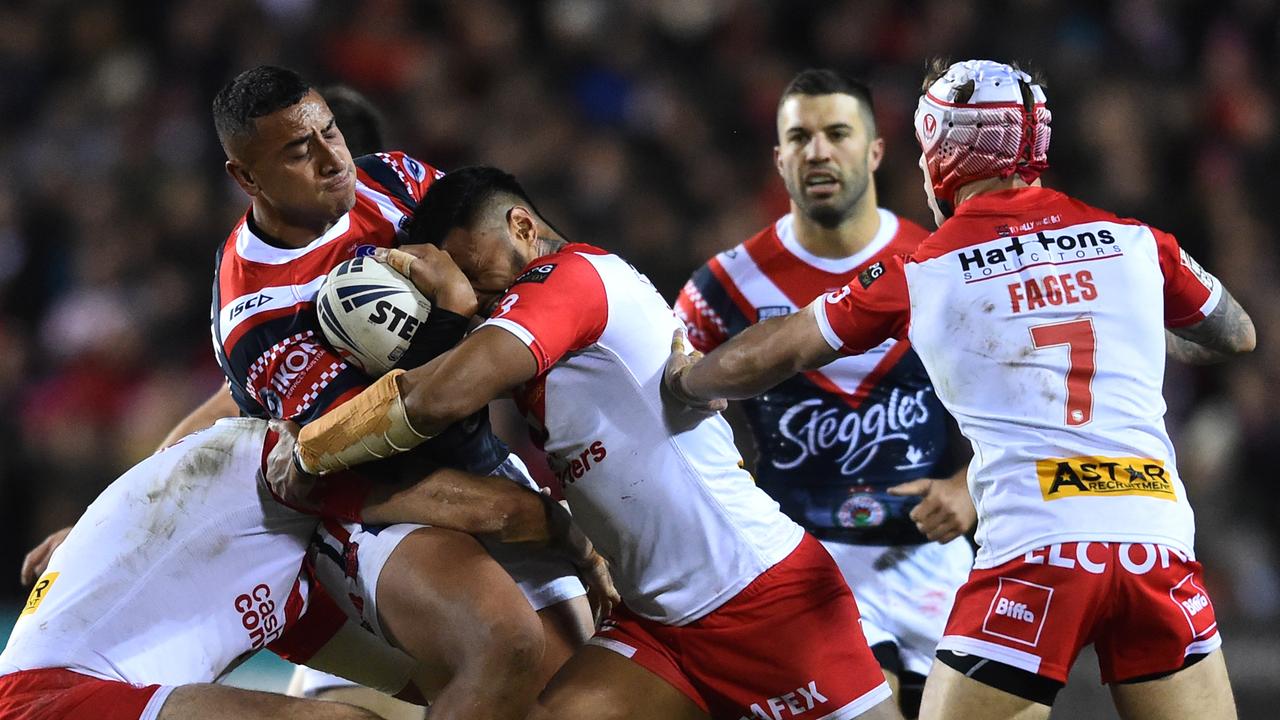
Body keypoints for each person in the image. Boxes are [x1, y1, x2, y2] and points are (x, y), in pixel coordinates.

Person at [662, 59, 1254, 720]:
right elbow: (1237, 335)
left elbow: (781, 349)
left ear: (943, 152)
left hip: (1040, 551)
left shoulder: (923, 268)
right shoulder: (1139, 244)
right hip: (1157, 542)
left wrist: (688, 380)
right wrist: (1136, 329)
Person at [277, 165, 903, 720]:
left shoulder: (569, 279)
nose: (473, 296)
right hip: (660, 626)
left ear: (521, 226)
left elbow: (438, 397)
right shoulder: (538, 321)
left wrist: (312, 447)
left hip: (758, 596)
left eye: (472, 269)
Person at [208, 65, 595, 720]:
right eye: (300, 152)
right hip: (372, 506)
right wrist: (449, 309)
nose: (334, 160)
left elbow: (519, 257)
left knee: (578, 687)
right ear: (246, 177)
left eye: (329, 132)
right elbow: (357, 454)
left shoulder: (391, 179)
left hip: (471, 454)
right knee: (506, 647)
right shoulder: (255, 310)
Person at [675, 68, 974, 716]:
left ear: (874, 151)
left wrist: (970, 487)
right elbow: (662, 428)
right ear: (779, 159)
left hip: (931, 556)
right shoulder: (719, 289)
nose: (818, 151)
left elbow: (1029, 407)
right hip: (804, 566)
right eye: (800, 137)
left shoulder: (941, 266)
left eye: (837, 133)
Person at [0, 417, 591, 720]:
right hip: (46, 700)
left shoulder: (291, 581)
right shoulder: (270, 459)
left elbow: (454, 689)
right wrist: (585, 547)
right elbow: (496, 508)